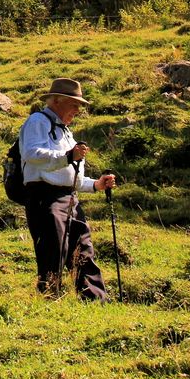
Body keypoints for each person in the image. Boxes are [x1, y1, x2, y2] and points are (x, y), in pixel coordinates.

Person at [19, 77, 116, 301]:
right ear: (57, 101)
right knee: (53, 250)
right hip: (44, 197)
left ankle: (96, 301)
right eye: (74, 104)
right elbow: (32, 154)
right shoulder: (38, 121)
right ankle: (49, 298)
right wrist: (68, 156)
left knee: (83, 248)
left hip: (68, 197)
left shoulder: (65, 132)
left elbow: (70, 177)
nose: (77, 110)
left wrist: (96, 184)